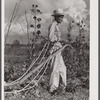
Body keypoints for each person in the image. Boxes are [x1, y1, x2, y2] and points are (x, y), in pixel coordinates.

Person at [48, 9, 67, 95]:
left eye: (62, 16)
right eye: (60, 16)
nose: (62, 18)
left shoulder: (57, 26)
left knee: (62, 69)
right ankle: (53, 89)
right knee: (55, 69)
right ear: (56, 17)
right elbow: (51, 38)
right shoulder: (53, 25)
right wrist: (60, 39)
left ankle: (62, 87)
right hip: (55, 49)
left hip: (58, 49)